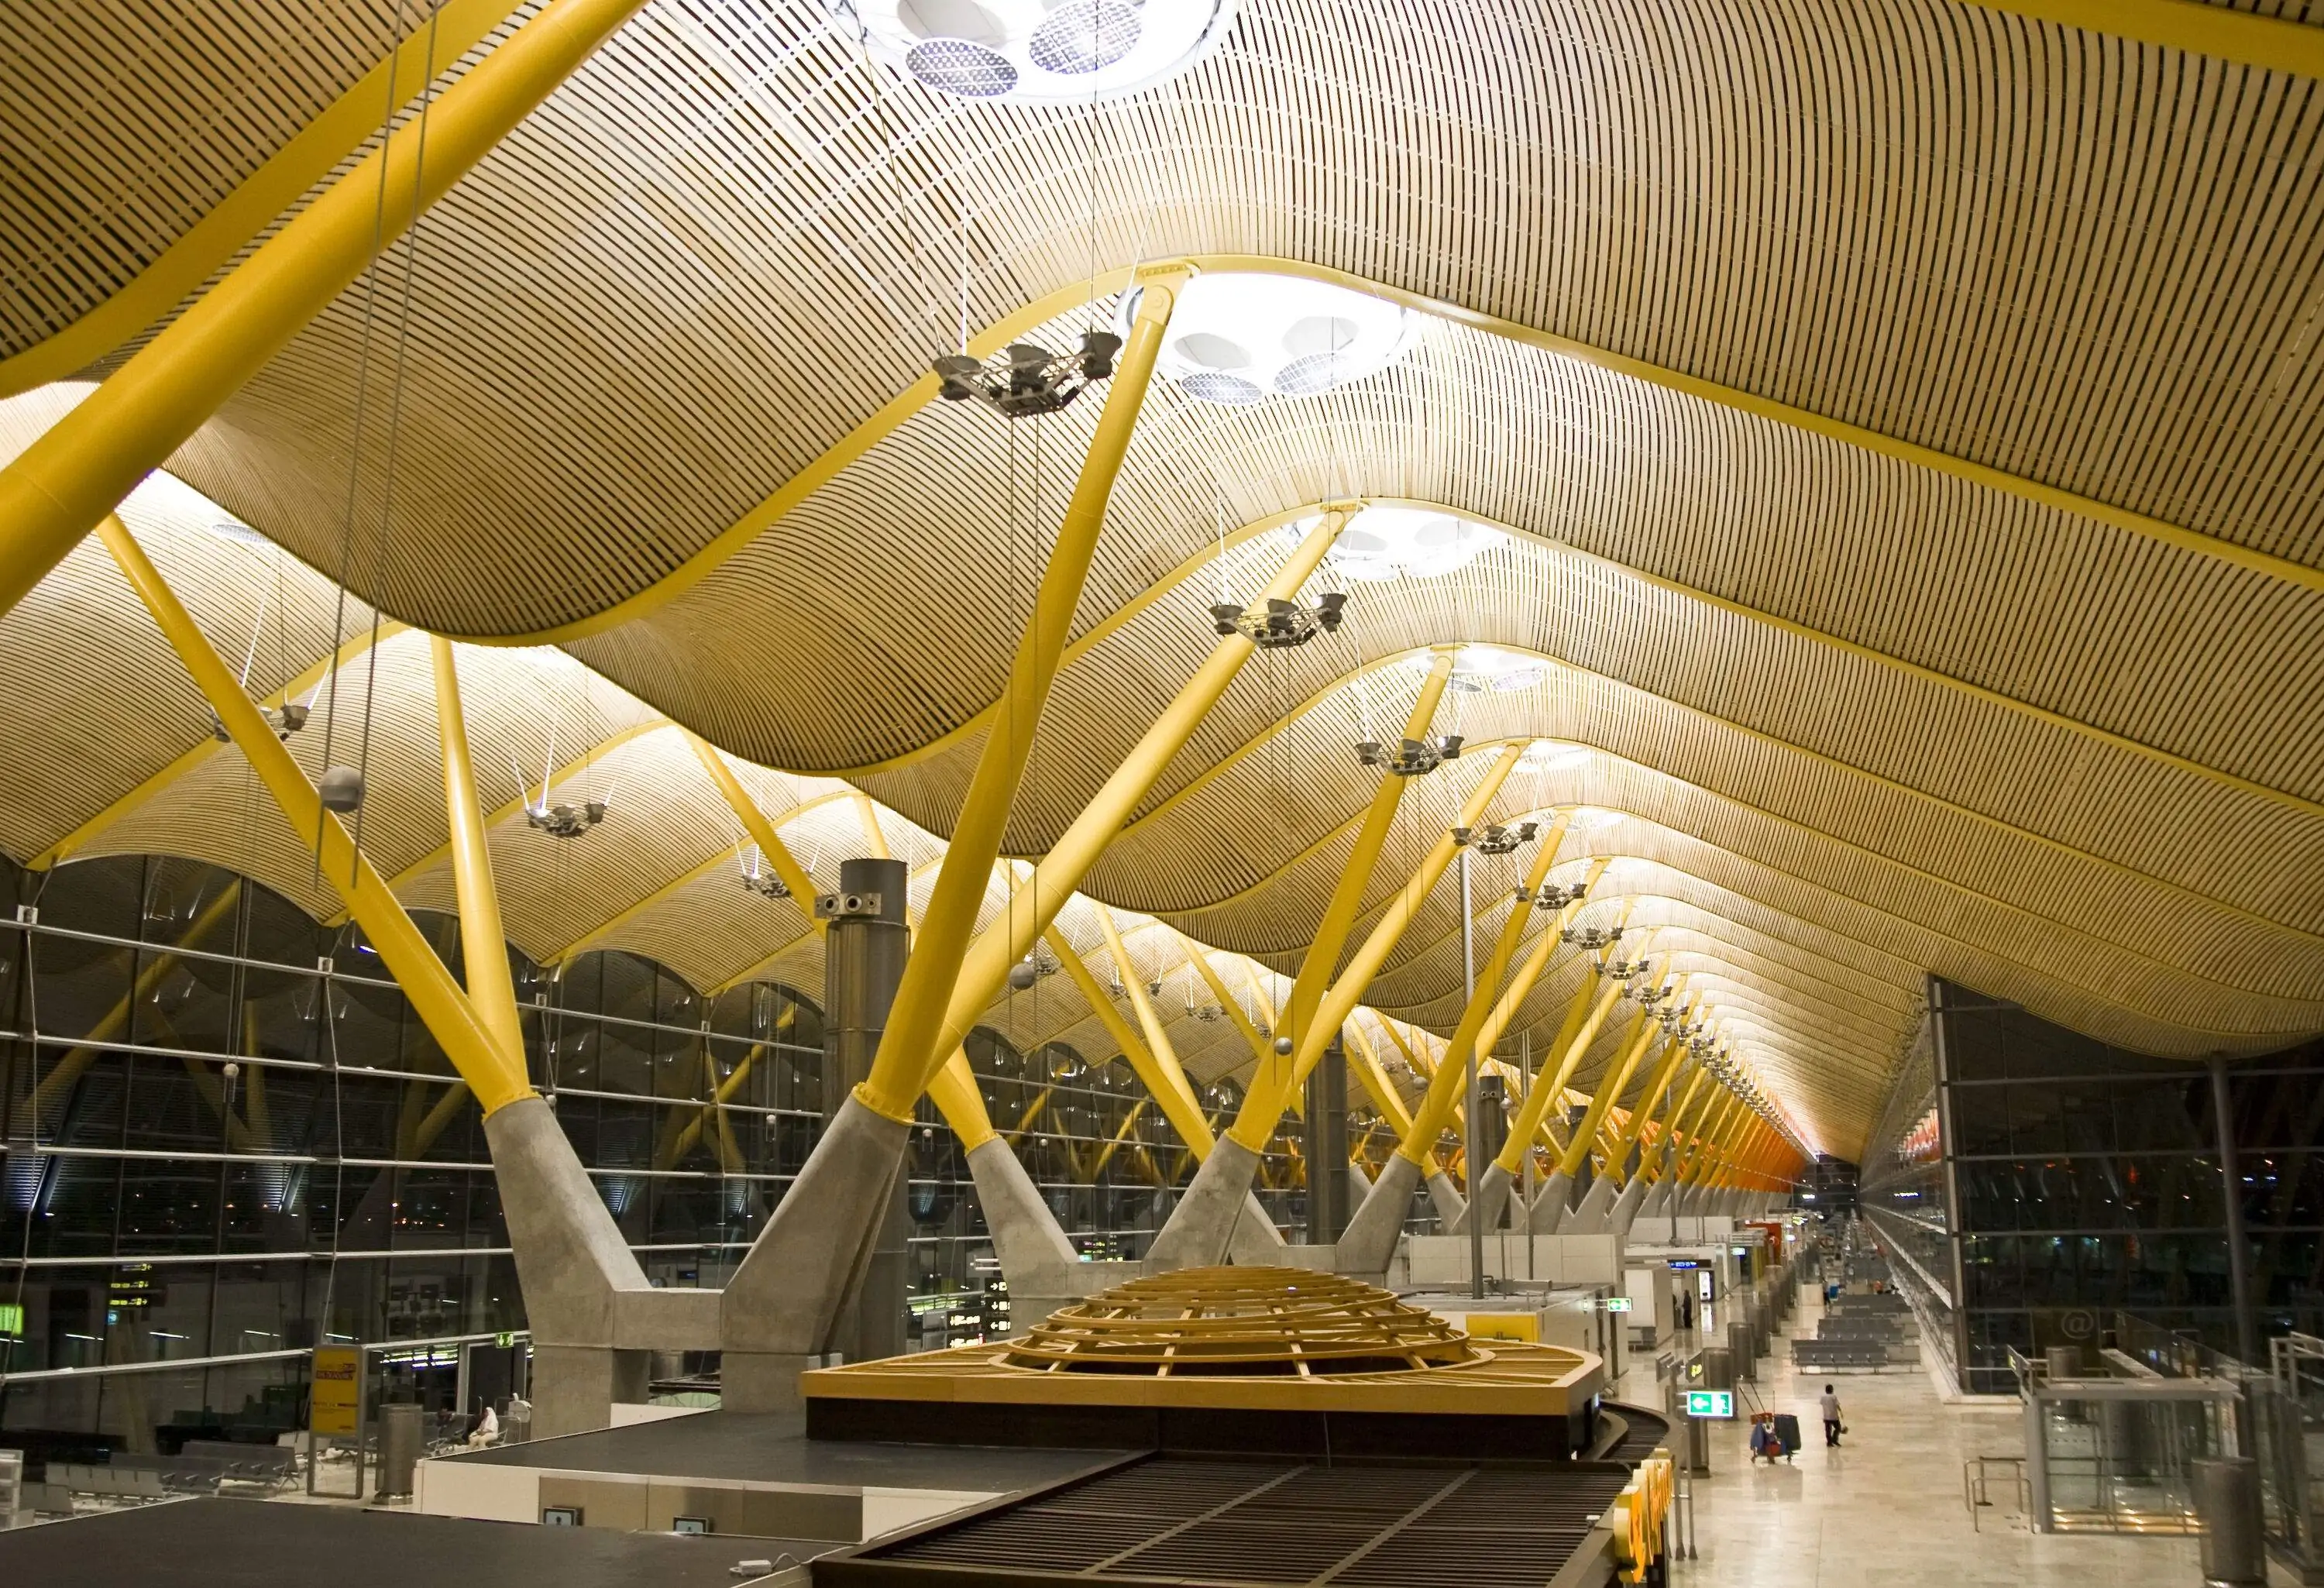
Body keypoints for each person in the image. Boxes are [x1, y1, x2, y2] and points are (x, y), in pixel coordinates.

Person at [1819, 1383, 1844, 1447]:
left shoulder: (1823, 1397)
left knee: (1828, 1430)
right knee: (1838, 1428)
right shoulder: (1833, 1397)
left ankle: (1829, 1442)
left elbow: (1822, 1404)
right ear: (1832, 1390)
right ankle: (1834, 1440)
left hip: (1826, 1416)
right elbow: (1837, 1405)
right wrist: (1841, 1412)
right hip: (1834, 1416)